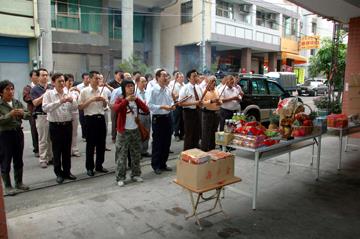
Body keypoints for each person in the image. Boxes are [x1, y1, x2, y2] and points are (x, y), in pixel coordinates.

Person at [113, 79, 149, 186]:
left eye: (132, 86)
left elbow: (146, 110)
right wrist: (126, 100)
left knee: (136, 154)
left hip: (135, 130)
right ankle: (120, 177)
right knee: (121, 155)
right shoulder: (120, 99)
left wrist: (137, 100)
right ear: (124, 88)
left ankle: (136, 174)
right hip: (123, 132)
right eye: (128, 86)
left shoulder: (136, 99)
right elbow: (116, 109)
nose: (131, 88)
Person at [43, 73, 78, 184]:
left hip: (67, 124)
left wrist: (72, 100)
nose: (62, 83)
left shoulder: (69, 92)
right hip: (55, 126)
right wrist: (60, 101)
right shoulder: (48, 94)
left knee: (67, 150)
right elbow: (45, 108)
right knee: (57, 150)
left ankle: (67, 172)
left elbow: (75, 107)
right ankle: (58, 173)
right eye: (59, 81)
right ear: (53, 82)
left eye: (63, 81)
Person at [0, 80, 30, 195]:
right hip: (5, 135)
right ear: (1, 92)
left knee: (18, 159)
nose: (10, 91)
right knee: (5, 160)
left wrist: (22, 113)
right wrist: (10, 114)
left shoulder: (16, 102)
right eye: (7, 89)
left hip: (17, 133)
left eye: (12, 89)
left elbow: (28, 114)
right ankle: (7, 186)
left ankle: (19, 182)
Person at [78, 71, 109, 177]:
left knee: (101, 144)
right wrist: (92, 100)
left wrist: (104, 101)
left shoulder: (103, 90)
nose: (98, 80)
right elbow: (80, 107)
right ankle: (90, 167)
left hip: (101, 118)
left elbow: (105, 107)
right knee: (91, 145)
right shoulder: (84, 91)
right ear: (90, 79)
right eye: (96, 78)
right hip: (90, 119)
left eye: (99, 79)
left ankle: (99, 165)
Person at [146, 69, 175, 175]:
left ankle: (163, 163)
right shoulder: (152, 90)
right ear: (157, 77)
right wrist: (162, 106)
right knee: (158, 143)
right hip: (158, 118)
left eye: (166, 75)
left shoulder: (167, 89)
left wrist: (172, 106)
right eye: (163, 75)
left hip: (167, 117)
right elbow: (149, 105)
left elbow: (170, 101)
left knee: (167, 142)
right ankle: (156, 165)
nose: (165, 77)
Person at [30, 68, 53, 168]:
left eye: (46, 75)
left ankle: (51, 157)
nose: (45, 77)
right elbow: (35, 103)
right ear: (38, 77)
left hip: (51, 115)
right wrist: (45, 94)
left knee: (51, 139)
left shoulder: (52, 87)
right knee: (43, 139)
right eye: (42, 75)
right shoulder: (35, 89)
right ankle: (43, 159)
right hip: (41, 115)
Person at [178, 69, 203, 150]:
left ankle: (195, 150)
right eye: (194, 76)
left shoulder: (198, 87)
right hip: (189, 112)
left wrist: (201, 103)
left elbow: (200, 100)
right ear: (189, 78)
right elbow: (180, 103)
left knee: (197, 132)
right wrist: (194, 103)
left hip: (198, 111)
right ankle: (187, 152)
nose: (196, 77)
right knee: (189, 134)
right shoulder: (185, 88)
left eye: (197, 75)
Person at [201, 76, 222, 151]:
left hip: (216, 113)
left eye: (214, 81)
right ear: (208, 82)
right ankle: (204, 150)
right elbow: (202, 103)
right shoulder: (204, 91)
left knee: (214, 132)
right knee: (206, 133)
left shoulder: (216, 89)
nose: (214, 83)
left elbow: (220, 100)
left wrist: (220, 102)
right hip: (207, 113)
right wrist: (212, 101)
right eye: (212, 81)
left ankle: (212, 149)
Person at [23, 70, 40, 157]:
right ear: (31, 77)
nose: (37, 77)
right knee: (34, 130)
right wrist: (36, 96)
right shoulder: (28, 87)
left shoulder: (41, 86)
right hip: (32, 112)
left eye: (38, 75)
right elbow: (26, 98)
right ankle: (36, 149)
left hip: (42, 111)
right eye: (35, 75)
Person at [64, 74, 81, 157]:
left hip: (75, 113)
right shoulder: (63, 91)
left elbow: (80, 100)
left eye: (72, 81)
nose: (70, 82)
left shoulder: (74, 92)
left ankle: (74, 149)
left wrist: (77, 91)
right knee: (67, 133)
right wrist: (69, 89)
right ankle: (67, 150)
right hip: (66, 113)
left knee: (74, 132)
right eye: (68, 81)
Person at [136, 76, 151, 157]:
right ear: (137, 82)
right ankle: (138, 151)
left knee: (147, 132)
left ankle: (144, 150)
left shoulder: (148, 92)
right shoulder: (135, 93)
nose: (144, 83)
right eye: (142, 81)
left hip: (148, 114)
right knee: (139, 133)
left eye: (145, 81)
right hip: (140, 115)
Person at [109, 70, 124, 143]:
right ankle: (113, 137)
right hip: (115, 107)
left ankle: (121, 136)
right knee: (114, 122)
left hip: (123, 108)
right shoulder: (114, 87)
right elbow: (112, 101)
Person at [169, 72, 185, 142]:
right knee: (177, 120)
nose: (182, 78)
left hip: (183, 104)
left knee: (182, 120)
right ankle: (176, 134)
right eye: (180, 77)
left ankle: (182, 134)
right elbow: (173, 96)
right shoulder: (174, 85)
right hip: (177, 104)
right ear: (177, 78)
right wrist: (180, 94)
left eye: (182, 77)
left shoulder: (184, 85)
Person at [77, 73, 90, 141]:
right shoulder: (79, 87)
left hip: (89, 106)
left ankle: (89, 135)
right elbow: (78, 97)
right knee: (82, 121)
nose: (88, 80)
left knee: (88, 121)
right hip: (82, 106)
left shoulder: (91, 86)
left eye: (89, 78)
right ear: (83, 79)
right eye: (86, 78)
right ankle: (84, 135)